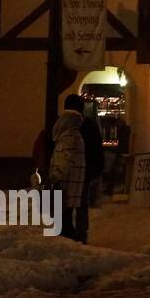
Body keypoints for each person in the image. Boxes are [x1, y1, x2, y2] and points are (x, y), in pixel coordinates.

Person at [66, 95, 104, 244]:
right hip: (85, 170)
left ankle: (67, 230)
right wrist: (97, 170)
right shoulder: (89, 125)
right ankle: (81, 233)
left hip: (68, 169)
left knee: (67, 201)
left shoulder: (64, 125)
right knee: (81, 202)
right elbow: (97, 149)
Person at [49, 100, 86, 242]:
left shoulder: (69, 137)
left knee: (63, 218)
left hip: (65, 185)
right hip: (70, 185)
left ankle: (67, 243)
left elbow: (66, 161)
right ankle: (68, 242)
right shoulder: (73, 136)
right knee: (65, 217)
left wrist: (55, 176)